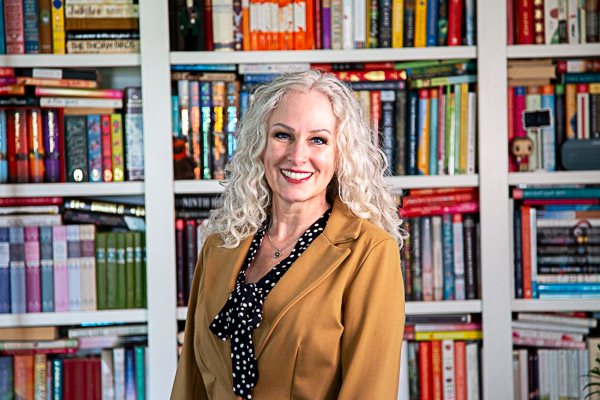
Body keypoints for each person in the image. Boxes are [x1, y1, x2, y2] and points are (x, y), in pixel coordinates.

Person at [171, 70, 405, 400]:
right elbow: (191, 379)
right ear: (260, 145)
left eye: (318, 140)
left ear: (340, 154)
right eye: (283, 135)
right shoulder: (219, 244)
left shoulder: (370, 252)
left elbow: (369, 392)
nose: (297, 156)